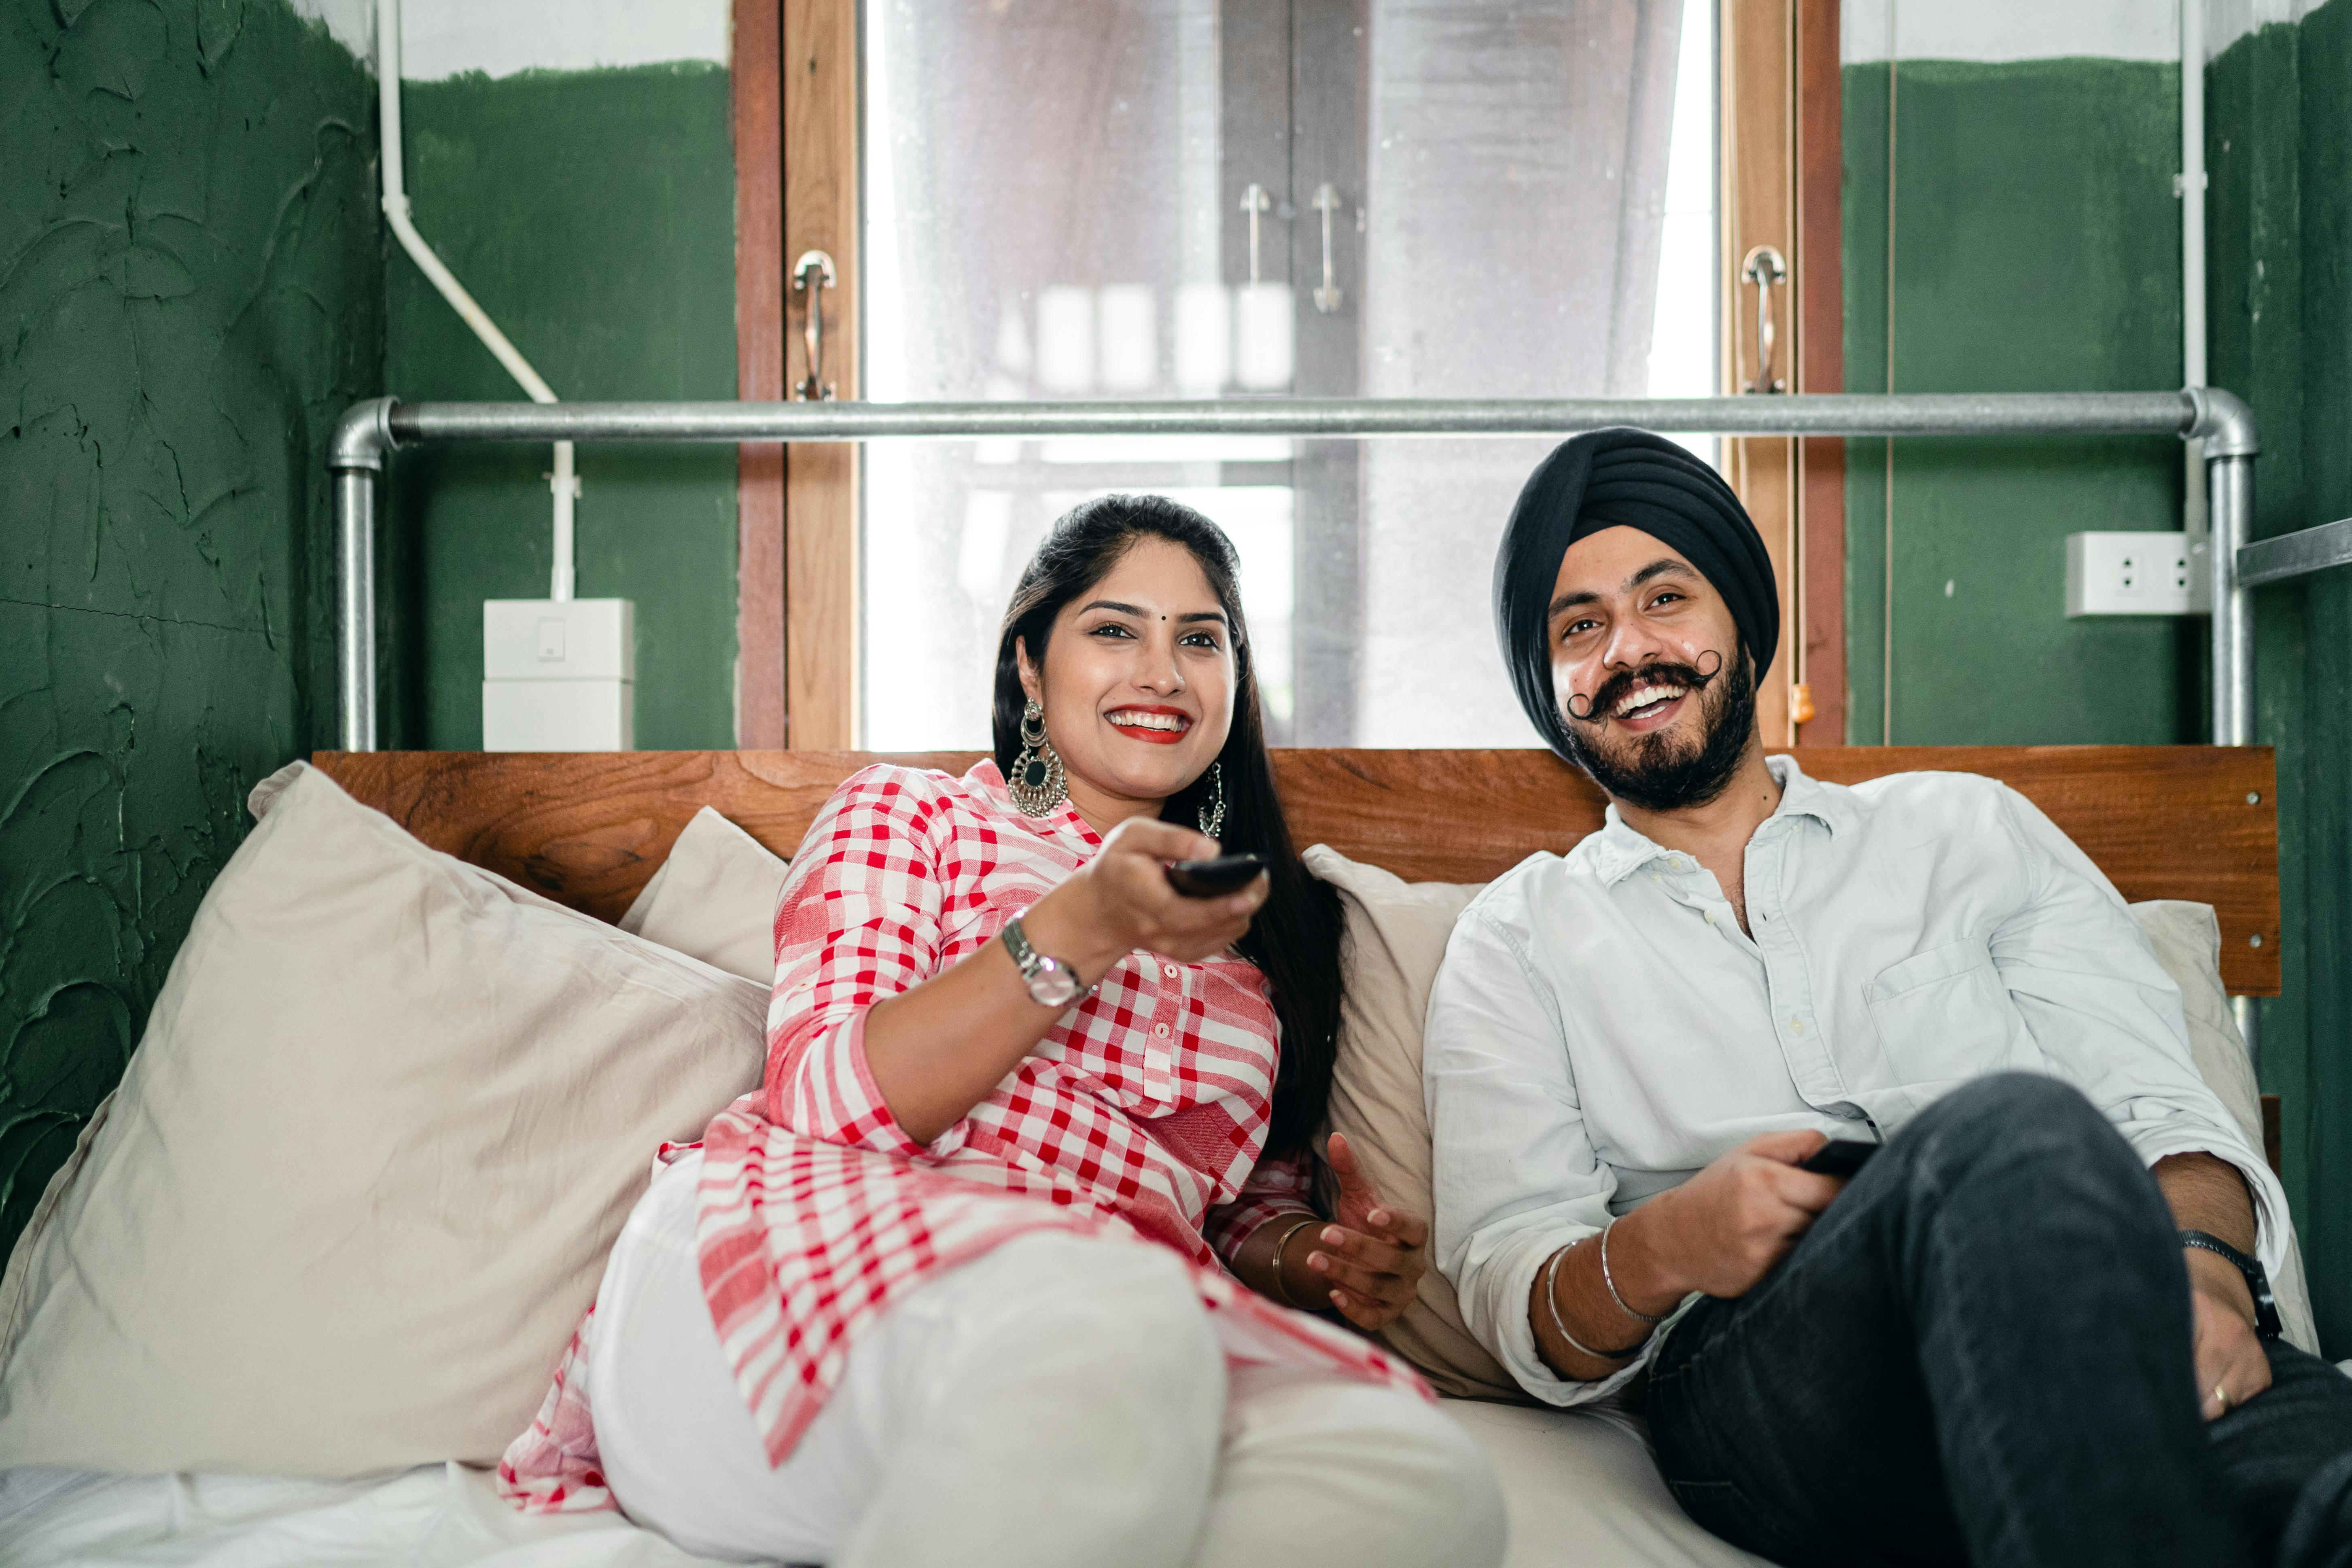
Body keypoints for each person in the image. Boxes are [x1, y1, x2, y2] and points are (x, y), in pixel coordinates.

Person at [501, 494, 1504, 1568]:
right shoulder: (912, 818)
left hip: (1095, 1340)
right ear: (1031, 664)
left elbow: (1226, 1210)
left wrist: (1315, 1256)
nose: (1162, 672)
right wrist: (1087, 923)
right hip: (775, 1264)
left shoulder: (1264, 943)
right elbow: (830, 1099)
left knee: (1422, 1481)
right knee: (1112, 1325)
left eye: (1200, 639)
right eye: (1115, 629)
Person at [1424, 428, 2352, 1568]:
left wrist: (2205, 1277)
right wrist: (1670, 1241)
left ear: (1740, 622)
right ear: (1552, 687)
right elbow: (1514, 1287)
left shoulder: (1969, 831)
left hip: (2091, 1295)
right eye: (1580, 626)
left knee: (2324, 1487)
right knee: (2015, 1125)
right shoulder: (1517, 937)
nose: (1631, 648)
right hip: (1766, 1368)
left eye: (1666, 595)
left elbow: (2166, 1110)